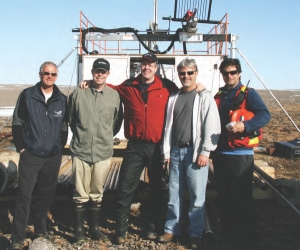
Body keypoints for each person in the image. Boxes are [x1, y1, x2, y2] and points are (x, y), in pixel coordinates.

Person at [80, 53, 205, 244]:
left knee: (156, 189)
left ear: (156, 67)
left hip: (158, 147)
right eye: (143, 65)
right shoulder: (129, 86)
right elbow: (109, 88)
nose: (146, 68)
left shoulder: (167, 87)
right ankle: (121, 230)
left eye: (150, 65)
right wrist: (90, 81)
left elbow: (185, 90)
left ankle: (152, 227)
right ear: (140, 67)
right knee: (125, 187)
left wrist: (199, 86)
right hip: (135, 146)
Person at [157, 58, 221, 249]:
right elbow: (168, 127)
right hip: (176, 151)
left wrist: (206, 151)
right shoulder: (173, 97)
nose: (186, 76)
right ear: (178, 74)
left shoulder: (204, 97)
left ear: (196, 73)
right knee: (173, 193)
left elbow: (212, 124)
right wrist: (166, 153)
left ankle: (195, 233)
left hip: (195, 153)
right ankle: (171, 229)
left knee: (196, 195)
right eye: (182, 73)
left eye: (190, 73)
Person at [212, 58, 271, 250]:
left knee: (241, 198)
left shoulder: (249, 94)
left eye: (233, 72)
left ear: (239, 73)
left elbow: (264, 114)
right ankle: (229, 234)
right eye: (226, 73)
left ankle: (248, 239)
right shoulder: (220, 95)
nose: (229, 76)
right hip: (221, 153)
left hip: (240, 154)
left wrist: (245, 125)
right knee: (225, 196)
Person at [10, 61, 68, 250]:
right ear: (40, 74)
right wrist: (22, 148)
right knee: (24, 196)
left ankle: (40, 231)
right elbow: (18, 123)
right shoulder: (27, 95)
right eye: (46, 73)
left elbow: (64, 127)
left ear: (56, 76)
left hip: (52, 156)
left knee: (46, 195)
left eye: (53, 74)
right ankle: (17, 237)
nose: (49, 76)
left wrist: (58, 148)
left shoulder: (61, 99)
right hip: (31, 154)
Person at [68, 58, 123, 242]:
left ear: (108, 74)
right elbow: (71, 119)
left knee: (97, 191)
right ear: (92, 72)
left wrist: (103, 136)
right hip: (81, 150)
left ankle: (94, 229)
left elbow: (116, 123)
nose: (100, 74)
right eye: (97, 71)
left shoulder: (114, 96)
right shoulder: (78, 94)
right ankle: (78, 231)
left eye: (103, 71)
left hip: (102, 151)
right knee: (80, 192)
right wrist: (84, 136)